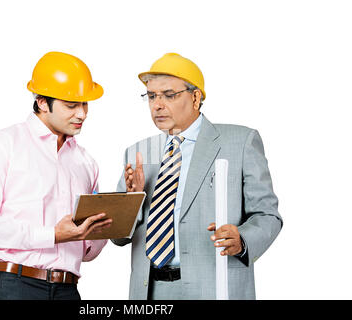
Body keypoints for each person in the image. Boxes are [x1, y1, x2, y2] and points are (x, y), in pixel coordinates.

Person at [112, 53, 282, 300]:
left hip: (213, 286)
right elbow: (118, 238)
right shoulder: (138, 152)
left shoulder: (239, 142)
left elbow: (268, 215)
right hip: (150, 291)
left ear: (195, 97)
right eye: (151, 96)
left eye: (169, 95)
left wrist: (242, 239)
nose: (157, 105)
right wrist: (132, 200)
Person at [0, 51, 112, 300]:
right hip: (13, 286)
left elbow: (87, 252)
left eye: (85, 104)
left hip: (68, 289)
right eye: (71, 105)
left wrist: (109, 221)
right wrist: (52, 235)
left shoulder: (86, 162)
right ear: (42, 102)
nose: (82, 114)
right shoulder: (5, 145)